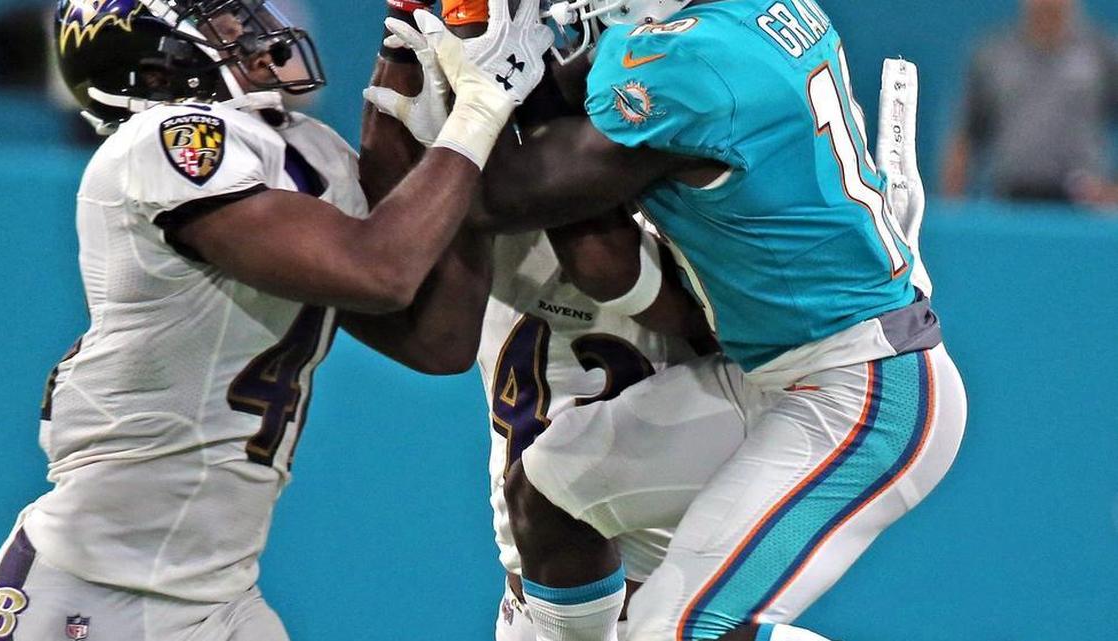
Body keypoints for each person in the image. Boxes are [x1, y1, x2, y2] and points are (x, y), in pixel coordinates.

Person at [374, 0, 967, 640]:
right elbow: (587, 115)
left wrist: (481, 103)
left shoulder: (688, 63)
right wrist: (527, 74)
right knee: (549, 491)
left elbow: (511, 197)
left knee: (678, 629)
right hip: (782, 370)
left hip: (862, 388)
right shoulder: (743, 21)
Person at [0, 0, 551, 639]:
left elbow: (437, 340)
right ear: (159, 60)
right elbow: (378, 272)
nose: (255, 31)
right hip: (95, 595)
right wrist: (476, 114)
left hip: (217, 595)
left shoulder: (302, 148)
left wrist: (432, 96)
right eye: (223, 22)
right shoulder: (164, 142)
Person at [942, 0, 1118, 205]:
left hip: (1084, 205)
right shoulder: (994, 56)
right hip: (1011, 202)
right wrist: (952, 205)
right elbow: (967, 134)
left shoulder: (1101, 53)